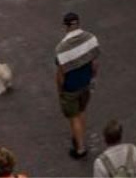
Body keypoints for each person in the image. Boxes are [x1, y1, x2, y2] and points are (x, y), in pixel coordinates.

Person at [54, 11, 101, 160]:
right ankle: (80, 137)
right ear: (78, 23)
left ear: (65, 26)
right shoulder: (91, 38)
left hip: (71, 88)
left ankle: (80, 148)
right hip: (85, 84)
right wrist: (92, 78)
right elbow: (95, 64)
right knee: (81, 112)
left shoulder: (61, 48)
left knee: (73, 117)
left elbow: (60, 75)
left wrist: (60, 90)